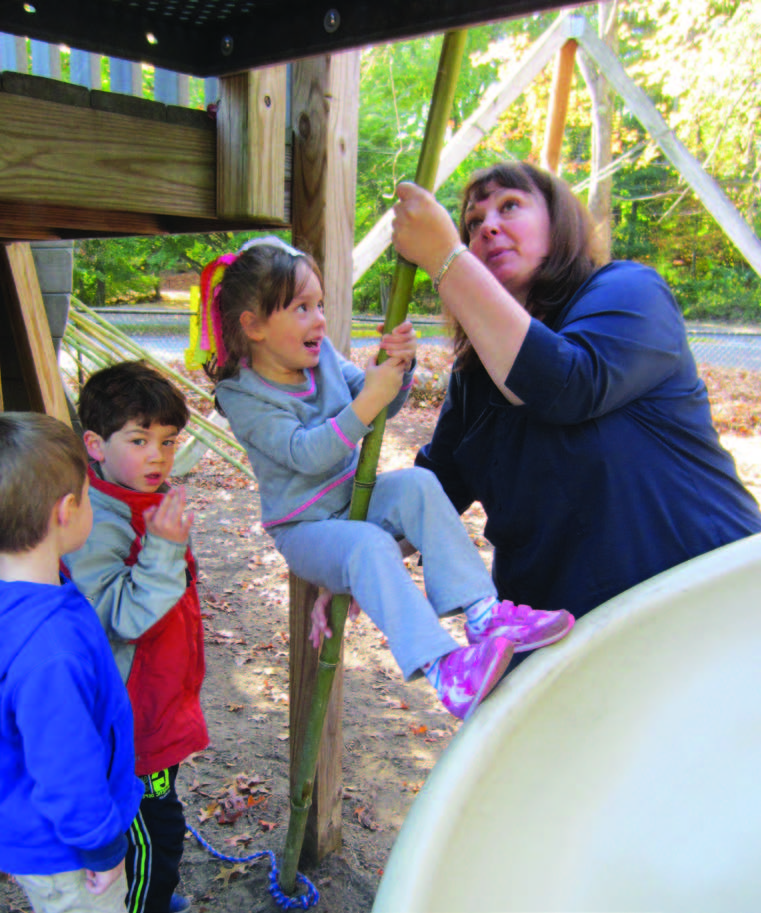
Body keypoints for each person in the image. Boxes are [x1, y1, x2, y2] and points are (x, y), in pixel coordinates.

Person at [200, 236, 574, 722]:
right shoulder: (242, 395)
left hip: (352, 495)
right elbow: (306, 454)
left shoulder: (323, 356)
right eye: (300, 308)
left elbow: (383, 404)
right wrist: (369, 399)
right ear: (252, 326)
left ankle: (483, 614)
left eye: (319, 305)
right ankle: (446, 671)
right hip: (306, 527)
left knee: (419, 485)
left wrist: (397, 365)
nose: (318, 319)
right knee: (368, 548)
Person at [391, 161, 761, 621]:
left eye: (509, 206)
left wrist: (446, 257)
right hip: (566, 644)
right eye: (471, 223)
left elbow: (565, 384)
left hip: (707, 609)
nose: (487, 227)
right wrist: (345, 553)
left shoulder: (630, 292)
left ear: (558, 221)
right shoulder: (476, 375)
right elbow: (434, 489)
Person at [63, 362, 207, 913]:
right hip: (131, 720)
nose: (159, 456)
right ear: (96, 445)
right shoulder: (97, 521)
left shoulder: (144, 498)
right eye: (140, 439)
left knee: (155, 819)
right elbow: (119, 616)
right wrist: (166, 547)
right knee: (152, 832)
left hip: (158, 703)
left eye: (168, 441)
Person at [0, 412, 143, 913]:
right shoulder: (49, 649)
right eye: (89, 496)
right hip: (69, 851)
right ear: (67, 511)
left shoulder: (29, 595)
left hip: (29, 822)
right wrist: (102, 848)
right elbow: (66, 765)